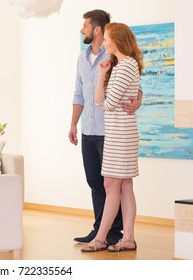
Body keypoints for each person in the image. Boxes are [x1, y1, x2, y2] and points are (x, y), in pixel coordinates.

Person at [68, 10, 142, 245]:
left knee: (112, 184)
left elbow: (133, 87)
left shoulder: (117, 61)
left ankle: (112, 232)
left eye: (85, 26)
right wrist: (73, 123)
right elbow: (79, 94)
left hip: (110, 131)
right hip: (88, 129)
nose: (82, 30)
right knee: (96, 183)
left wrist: (138, 99)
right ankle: (101, 228)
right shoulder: (82, 58)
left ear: (97, 29)